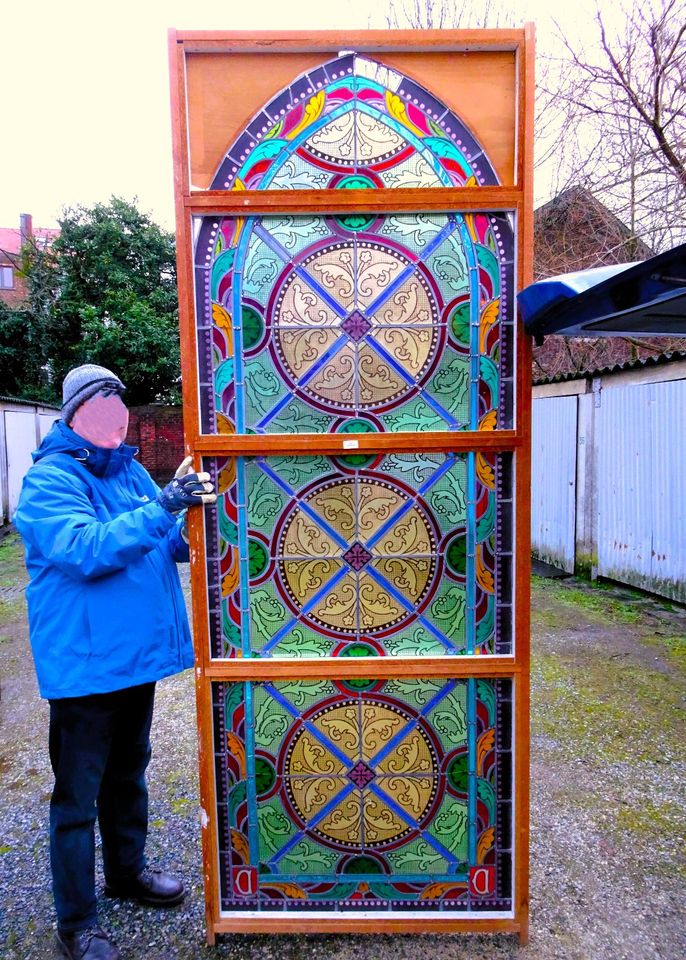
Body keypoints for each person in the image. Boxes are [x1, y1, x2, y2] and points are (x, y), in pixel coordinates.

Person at [14, 364, 216, 960]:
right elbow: (84, 549)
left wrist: (191, 513)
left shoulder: (125, 470)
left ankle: (126, 875)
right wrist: (163, 509)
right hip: (85, 667)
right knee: (77, 798)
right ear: (74, 413)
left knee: (128, 777)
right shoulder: (51, 480)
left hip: (133, 661)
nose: (113, 413)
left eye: (117, 402)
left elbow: (164, 539)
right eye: (100, 403)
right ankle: (75, 924)